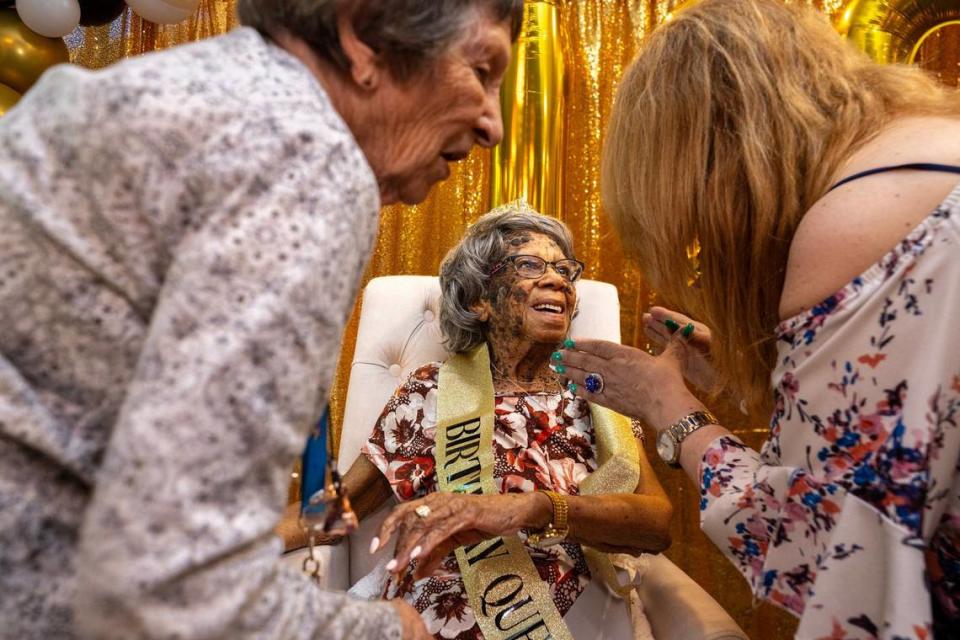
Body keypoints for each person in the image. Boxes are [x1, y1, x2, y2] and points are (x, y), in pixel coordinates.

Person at [0, 1, 522, 638]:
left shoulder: (195, 95)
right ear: (363, 37)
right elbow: (175, 591)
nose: (494, 124)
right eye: (483, 67)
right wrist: (393, 631)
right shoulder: (307, 157)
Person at [554, 1, 960, 638]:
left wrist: (672, 411)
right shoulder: (929, 154)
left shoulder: (851, 219)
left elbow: (821, 546)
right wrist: (760, 372)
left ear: (716, 158)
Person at [279, 202, 673, 639]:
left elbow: (656, 524)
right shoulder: (430, 391)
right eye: (529, 265)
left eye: (565, 269)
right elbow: (339, 508)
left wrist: (538, 509)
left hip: (572, 620)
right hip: (438, 619)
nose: (557, 279)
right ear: (479, 300)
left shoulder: (598, 398)